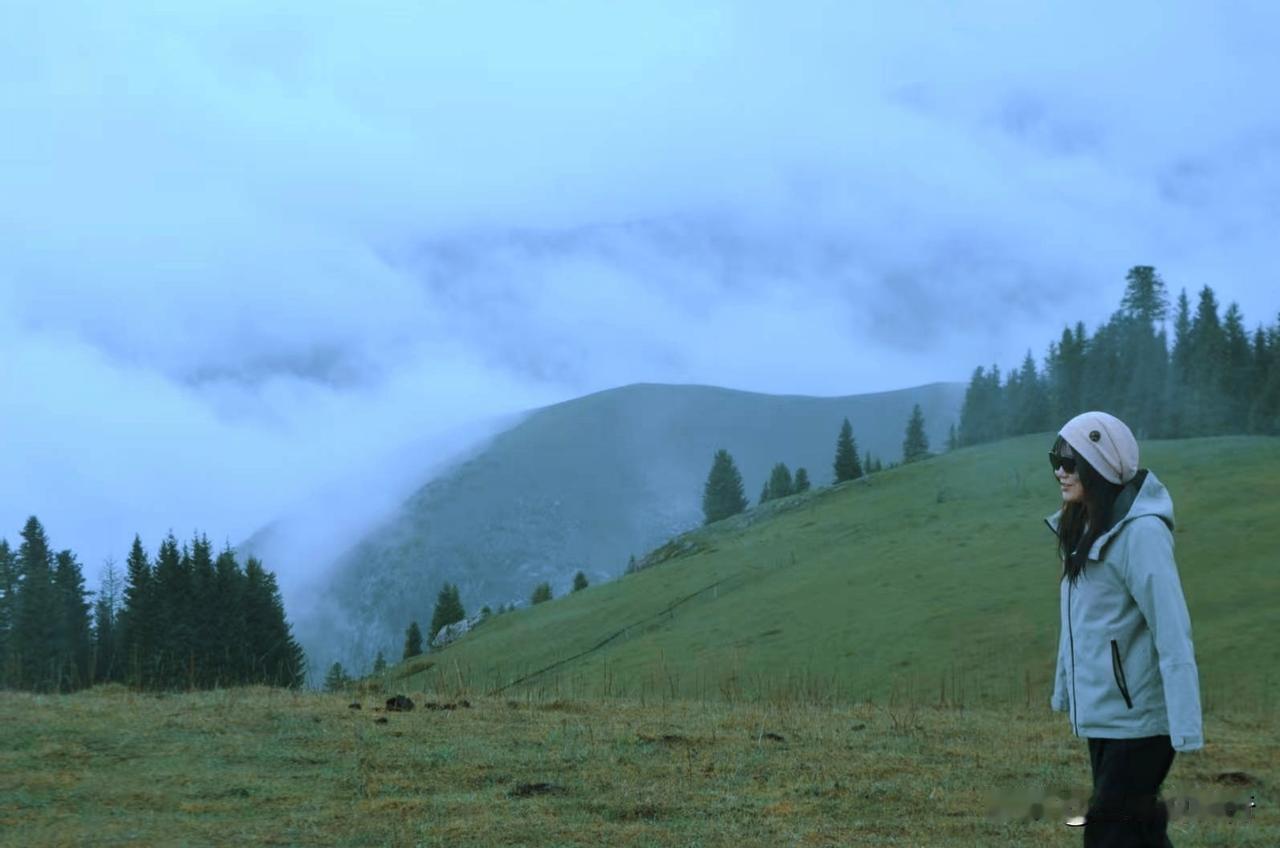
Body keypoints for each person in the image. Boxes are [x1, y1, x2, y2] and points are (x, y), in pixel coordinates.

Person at [1047, 410, 1203, 847]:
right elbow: (1078, 624)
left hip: (1141, 722)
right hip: (1107, 715)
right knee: (1140, 831)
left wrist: (1185, 723)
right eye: (1055, 459)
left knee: (1108, 832)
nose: (1061, 470)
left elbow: (1172, 628)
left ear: (1100, 466)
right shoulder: (1084, 528)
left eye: (1071, 460)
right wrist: (1064, 691)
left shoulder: (1141, 534)